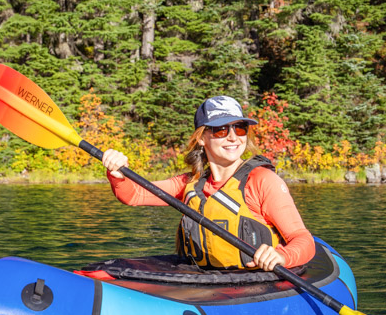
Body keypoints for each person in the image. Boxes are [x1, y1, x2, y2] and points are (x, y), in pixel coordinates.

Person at [101, 95, 315, 272]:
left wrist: (281, 256)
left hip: (256, 283)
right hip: (208, 283)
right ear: (202, 138)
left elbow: (303, 240)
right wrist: (118, 173)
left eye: (239, 128)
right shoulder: (190, 183)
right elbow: (133, 195)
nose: (233, 137)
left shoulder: (261, 181)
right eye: (221, 130)